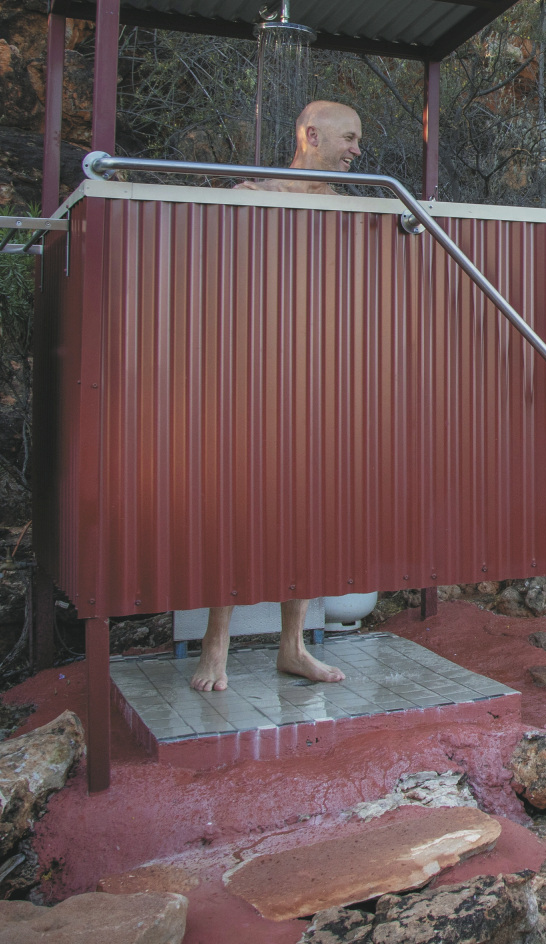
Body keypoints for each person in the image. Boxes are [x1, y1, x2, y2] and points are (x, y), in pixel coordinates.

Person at [188, 100, 364, 693]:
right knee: (238, 507)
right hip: (251, 374)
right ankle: (216, 645)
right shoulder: (253, 193)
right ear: (311, 135)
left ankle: (293, 647)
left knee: (307, 511)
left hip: (320, 376)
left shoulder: (345, 207)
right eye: (348, 138)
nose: (357, 150)